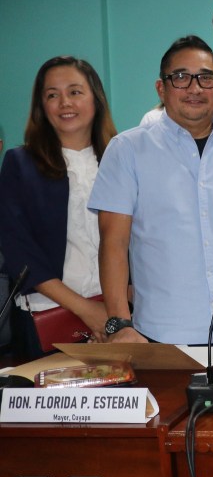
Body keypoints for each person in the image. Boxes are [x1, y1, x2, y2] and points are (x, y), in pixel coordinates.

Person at [89, 36, 213, 347]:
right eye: (180, 77)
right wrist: (120, 323)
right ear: (161, 89)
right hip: (156, 331)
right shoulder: (128, 149)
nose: (194, 88)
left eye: (205, 78)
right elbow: (114, 243)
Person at [0, 57, 117, 358]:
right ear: (42, 106)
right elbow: (19, 252)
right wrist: (88, 311)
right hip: (49, 318)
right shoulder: (20, 164)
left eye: (75, 91)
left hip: (119, 313)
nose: (64, 102)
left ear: (96, 98)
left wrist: (120, 303)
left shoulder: (121, 159)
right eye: (52, 94)